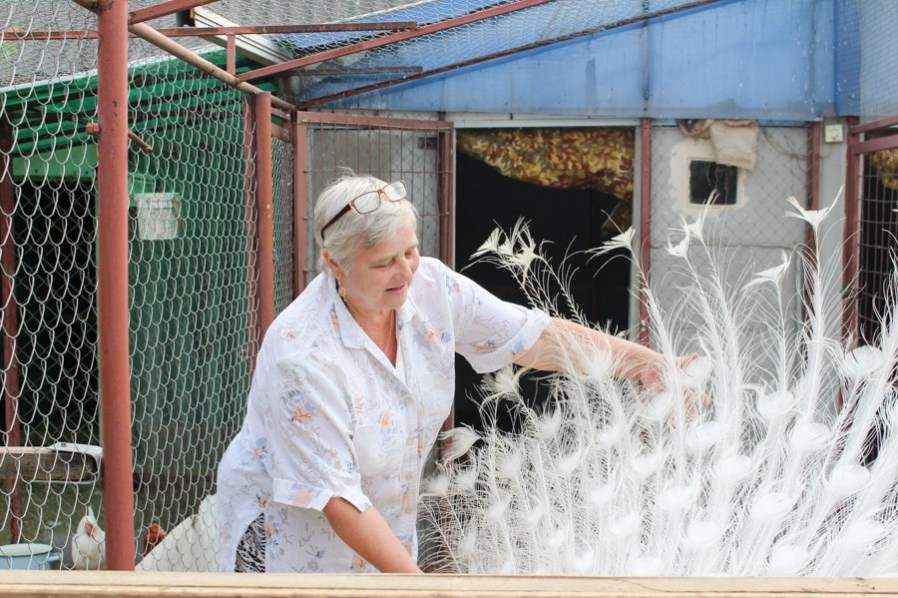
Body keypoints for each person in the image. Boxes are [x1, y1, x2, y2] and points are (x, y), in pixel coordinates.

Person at [216, 174, 679, 574]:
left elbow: (530, 337)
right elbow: (336, 499)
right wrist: (421, 586)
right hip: (289, 537)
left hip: (381, 521)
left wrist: (645, 364)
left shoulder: (433, 287)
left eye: (410, 251)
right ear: (335, 264)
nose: (405, 272)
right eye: (383, 263)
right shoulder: (303, 355)